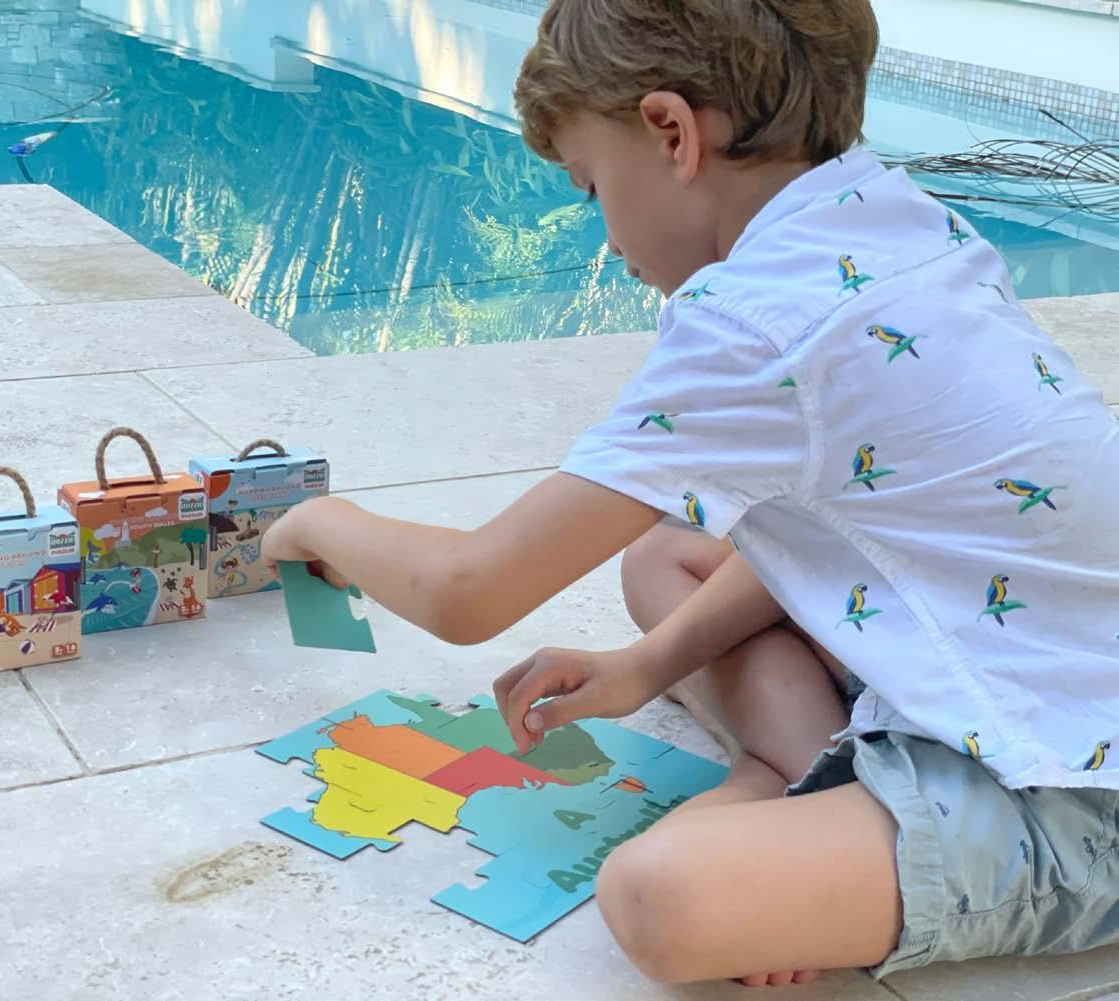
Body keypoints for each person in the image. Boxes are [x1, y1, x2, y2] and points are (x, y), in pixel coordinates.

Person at [262, 0, 1119, 985]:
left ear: (671, 132)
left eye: (591, 185)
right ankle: (804, 783)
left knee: (659, 896)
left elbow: (467, 591)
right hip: (1016, 656)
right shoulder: (890, 216)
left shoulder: (751, 320)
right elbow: (847, 527)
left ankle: (800, 807)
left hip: (1068, 781)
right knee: (661, 558)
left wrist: (317, 519)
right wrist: (643, 665)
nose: (604, 237)